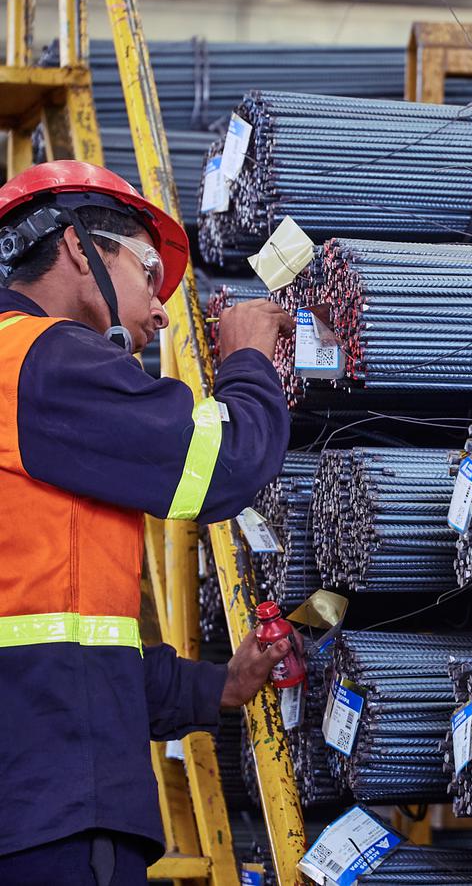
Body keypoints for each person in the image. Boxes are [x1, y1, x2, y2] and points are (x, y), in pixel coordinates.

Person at [0, 161, 296, 885]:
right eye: (147, 270)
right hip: (53, 802)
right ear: (77, 247)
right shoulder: (45, 362)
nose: (162, 310)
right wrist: (249, 361)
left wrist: (215, 689)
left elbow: (63, 630)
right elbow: (223, 464)